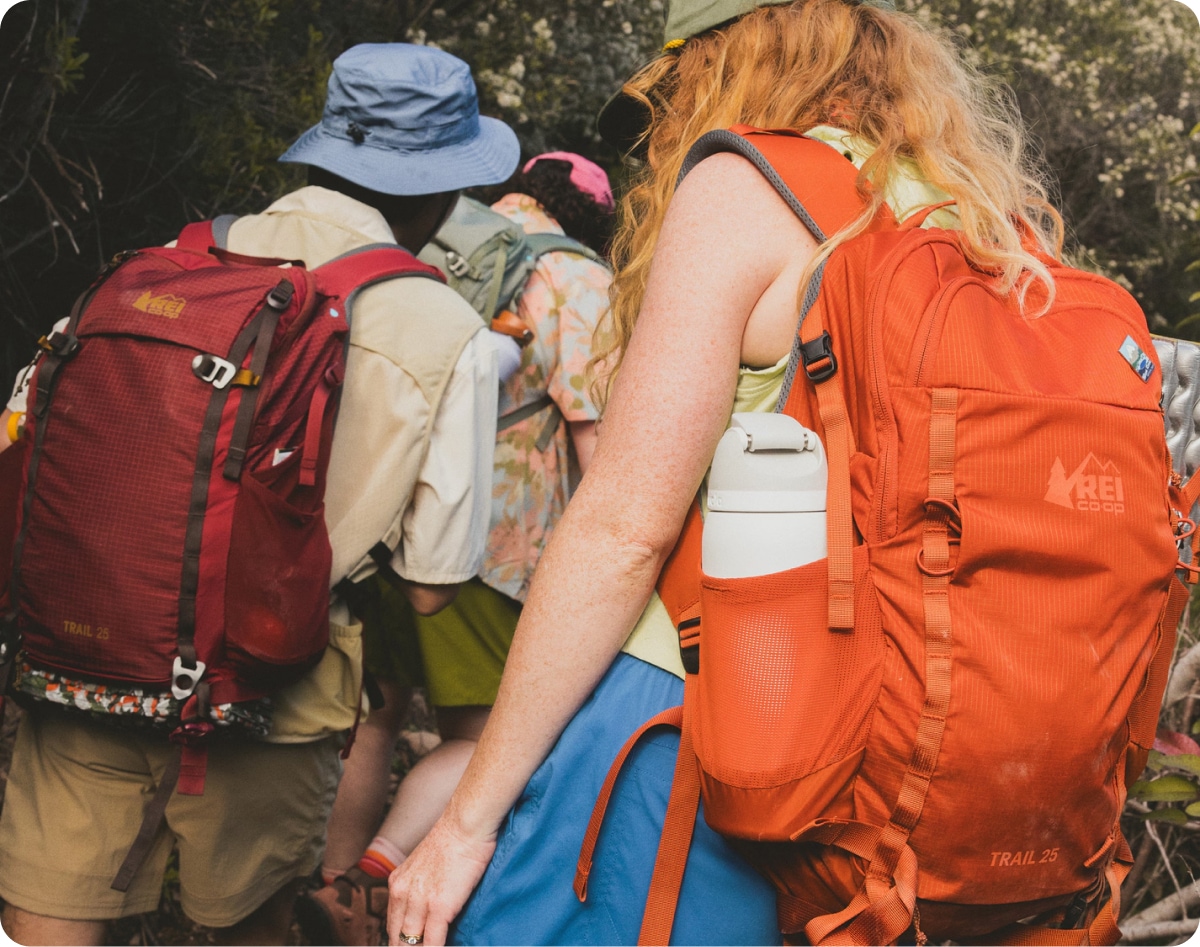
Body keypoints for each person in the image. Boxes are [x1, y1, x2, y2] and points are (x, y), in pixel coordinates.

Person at [385, 0, 1065, 944]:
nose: (669, 123)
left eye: (674, 88)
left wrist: (463, 823)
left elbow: (625, 527)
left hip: (707, 710)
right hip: (918, 724)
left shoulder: (752, 187)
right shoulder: (988, 226)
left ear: (719, 60)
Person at [0, 42, 516, 946]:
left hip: (89, 658)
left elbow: (25, 428)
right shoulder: (449, 332)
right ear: (439, 191)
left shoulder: (156, 266)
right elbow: (434, 581)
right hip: (273, 693)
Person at [304, 151, 615, 946]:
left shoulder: (419, 248)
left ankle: (331, 889)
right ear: (588, 217)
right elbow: (594, 435)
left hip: (384, 530)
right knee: (485, 741)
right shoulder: (573, 275)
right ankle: (384, 872)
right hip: (492, 552)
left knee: (374, 719)